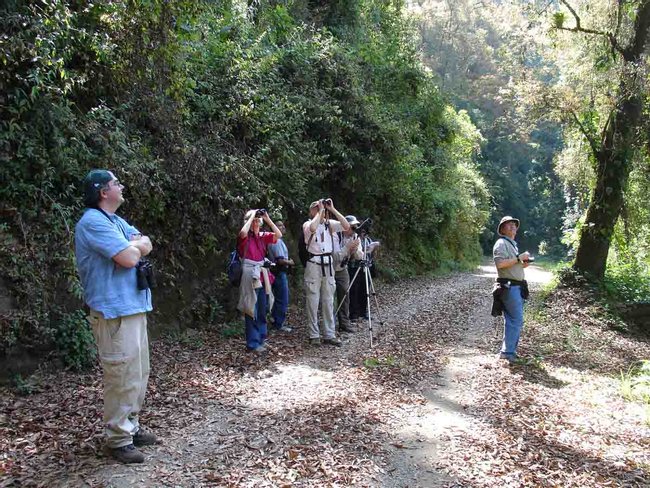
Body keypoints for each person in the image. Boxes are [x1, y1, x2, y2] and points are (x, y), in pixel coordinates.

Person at [75, 169, 158, 464]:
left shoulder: (115, 221)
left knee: (138, 372)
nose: (121, 187)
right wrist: (133, 247)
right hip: (113, 311)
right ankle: (118, 438)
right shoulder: (93, 222)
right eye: (116, 184)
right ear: (102, 191)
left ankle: (131, 428)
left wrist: (133, 245)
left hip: (133, 306)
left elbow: (145, 243)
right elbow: (129, 257)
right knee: (120, 375)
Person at [303, 199, 351, 346]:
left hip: (328, 264)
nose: (319, 209)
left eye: (320, 207)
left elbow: (346, 226)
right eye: (315, 208)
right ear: (312, 211)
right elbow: (312, 228)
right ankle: (314, 335)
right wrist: (321, 211)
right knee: (313, 300)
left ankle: (329, 334)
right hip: (314, 264)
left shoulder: (330, 224)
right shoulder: (307, 223)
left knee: (329, 300)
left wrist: (333, 209)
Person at [237, 209, 282, 353]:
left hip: (262, 275)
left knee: (262, 308)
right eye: (254, 221)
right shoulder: (245, 237)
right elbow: (243, 233)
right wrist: (250, 217)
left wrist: (267, 218)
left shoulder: (262, 236)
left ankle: (262, 339)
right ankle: (252, 343)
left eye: (258, 220)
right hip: (250, 274)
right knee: (251, 309)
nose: (256, 223)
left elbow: (278, 235)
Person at [493, 215, 531, 363]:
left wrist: (523, 263)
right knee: (516, 320)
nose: (512, 227)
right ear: (502, 229)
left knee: (513, 320)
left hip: (516, 286)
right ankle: (508, 353)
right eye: (508, 225)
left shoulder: (512, 244)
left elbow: (513, 265)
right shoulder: (501, 243)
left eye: (514, 224)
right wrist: (518, 258)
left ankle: (509, 351)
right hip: (509, 286)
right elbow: (500, 264)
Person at [332, 216, 362, 333]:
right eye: (352, 226)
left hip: (343, 269)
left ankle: (344, 322)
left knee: (345, 294)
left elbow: (359, 256)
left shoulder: (354, 236)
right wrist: (347, 247)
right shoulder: (335, 235)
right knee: (330, 298)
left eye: (355, 227)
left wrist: (355, 250)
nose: (354, 229)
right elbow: (335, 257)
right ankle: (331, 324)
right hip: (331, 268)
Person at [348, 221, 380, 322]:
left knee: (365, 290)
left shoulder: (368, 240)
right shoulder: (355, 240)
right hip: (355, 267)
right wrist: (367, 248)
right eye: (361, 231)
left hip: (366, 267)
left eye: (364, 231)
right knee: (354, 291)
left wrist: (374, 246)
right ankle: (353, 313)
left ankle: (363, 311)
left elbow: (372, 253)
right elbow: (356, 254)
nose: (363, 233)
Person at [267, 219, 294, 333]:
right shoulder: (276, 241)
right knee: (282, 298)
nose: (282, 228)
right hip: (278, 272)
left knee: (278, 297)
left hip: (277, 272)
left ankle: (275, 320)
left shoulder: (278, 240)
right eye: (279, 226)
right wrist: (290, 262)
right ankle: (278, 323)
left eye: (283, 226)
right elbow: (280, 260)